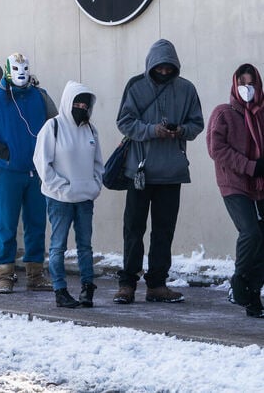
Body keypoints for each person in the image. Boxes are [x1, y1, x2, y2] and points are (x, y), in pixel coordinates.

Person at [113, 39, 204, 305]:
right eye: (159, 67)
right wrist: (153, 130)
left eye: (168, 68)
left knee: (164, 231)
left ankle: (157, 284)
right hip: (139, 172)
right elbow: (124, 122)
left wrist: (181, 131)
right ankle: (127, 283)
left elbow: (197, 123)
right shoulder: (136, 86)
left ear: (175, 66)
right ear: (151, 65)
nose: (164, 72)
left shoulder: (187, 89)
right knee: (133, 228)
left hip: (172, 172)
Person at [0, 53, 58, 294]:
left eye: (25, 68)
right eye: (17, 68)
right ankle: (5, 274)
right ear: (9, 71)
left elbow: (55, 124)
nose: (21, 73)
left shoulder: (41, 97)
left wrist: (51, 152)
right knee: (7, 224)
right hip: (7, 171)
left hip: (36, 171)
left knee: (36, 223)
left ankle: (35, 273)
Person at [33, 81, 104, 308]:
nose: (81, 107)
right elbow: (42, 163)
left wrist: (94, 186)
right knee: (58, 247)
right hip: (59, 199)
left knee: (85, 246)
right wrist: (61, 188)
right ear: (68, 102)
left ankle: (87, 288)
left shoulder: (91, 130)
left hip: (85, 198)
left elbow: (98, 163)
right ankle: (60, 290)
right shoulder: (52, 127)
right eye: (77, 102)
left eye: (85, 103)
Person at [206, 63, 264, 318]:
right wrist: (250, 166)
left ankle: (252, 296)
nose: (247, 89)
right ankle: (239, 282)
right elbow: (216, 149)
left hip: (261, 184)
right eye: (242, 84)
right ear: (234, 85)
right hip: (235, 183)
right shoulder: (224, 113)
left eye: (251, 84)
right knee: (251, 232)